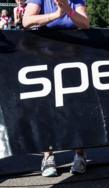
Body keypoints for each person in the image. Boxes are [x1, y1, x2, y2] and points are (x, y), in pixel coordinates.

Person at [23, 0, 89, 176]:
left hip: (72, 58)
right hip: (45, 57)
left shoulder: (76, 1)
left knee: (76, 106)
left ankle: (80, 155)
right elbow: (26, 21)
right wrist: (56, 15)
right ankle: (48, 157)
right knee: (47, 107)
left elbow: (85, 23)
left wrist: (68, 10)